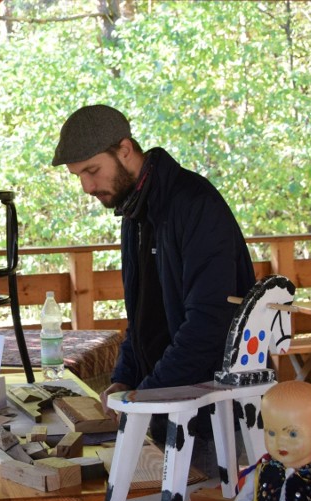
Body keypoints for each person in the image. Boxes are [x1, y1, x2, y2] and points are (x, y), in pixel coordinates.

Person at [52, 104, 257, 477]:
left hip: (210, 404)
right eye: (78, 175)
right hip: (164, 395)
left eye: (92, 171)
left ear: (126, 150)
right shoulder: (135, 214)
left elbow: (210, 324)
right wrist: (124, 378)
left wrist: (144, 393)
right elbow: (143, 317)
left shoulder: (195, 205)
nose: (86, 187)